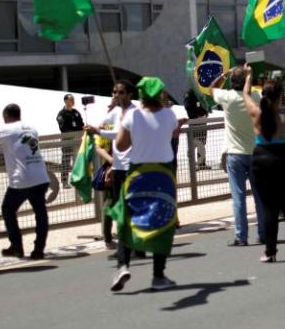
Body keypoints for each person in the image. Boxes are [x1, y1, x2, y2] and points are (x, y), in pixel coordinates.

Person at [110, 77, 179, 291]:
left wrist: (125, 123)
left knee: (126, 219)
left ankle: (123, 265)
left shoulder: (132, 115)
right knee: (163, 222)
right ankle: (158, 275)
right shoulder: (170, 115)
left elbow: (121, 146)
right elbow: (170, 134)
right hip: (163, 175)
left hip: (137, 175)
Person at [243, 68, 285, 263]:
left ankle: (270, 252)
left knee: (269, 208)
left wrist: (248, 75)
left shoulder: (256, 113)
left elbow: (245, 94)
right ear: (280, 97)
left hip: (262, 160)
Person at [208, 67, 266, 247]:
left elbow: (211, 88)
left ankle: (241, 236)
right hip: (256, 152)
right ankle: (263, 233)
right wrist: (250, 75)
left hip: (235, 153)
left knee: (238, 197)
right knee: (259, 197)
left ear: (232, 81)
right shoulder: (256, 97)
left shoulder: (227, 97)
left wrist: (224, 74)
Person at [86, 80, 137, 249]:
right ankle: (111, 237)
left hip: (133, 166)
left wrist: (98, 131)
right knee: (114, 202)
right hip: (118, 166)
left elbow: (118, 134)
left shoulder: (134, 113)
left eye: (121, 92)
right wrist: (94, 127)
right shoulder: (116, 111)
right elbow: (103, 123)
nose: (116, 95)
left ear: (130, 95)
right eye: (114, 92)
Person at [0, 103, 49, 260]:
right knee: (40, 213)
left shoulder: (6, 130)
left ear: (6, 116)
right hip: (41, 176)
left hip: (22, 179)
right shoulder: (32, 129)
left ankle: (16, 246)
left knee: (8, 209)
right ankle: (39, 249)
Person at [56, 93, 84, 188]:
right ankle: (64, 182)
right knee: (66, 161)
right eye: (71, 99)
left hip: (77, 139)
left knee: (78, 160)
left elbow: (81, 124)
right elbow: (63, 127)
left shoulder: (76, 112)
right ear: (66, 101)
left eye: (73, 99)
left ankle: (77, 180)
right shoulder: (62, 114)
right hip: (67, 140)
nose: (73, 101)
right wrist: (73, 131)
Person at [183, 90, 210, 169]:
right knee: (193, 144)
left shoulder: (200, 92)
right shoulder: (189, 94)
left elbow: (203, 104)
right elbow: (188, 107)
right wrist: (197, 116)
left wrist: (205, 112)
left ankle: (201, 164)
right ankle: (192, 165)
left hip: (202, 121)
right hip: (195, 122)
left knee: (202, 143)